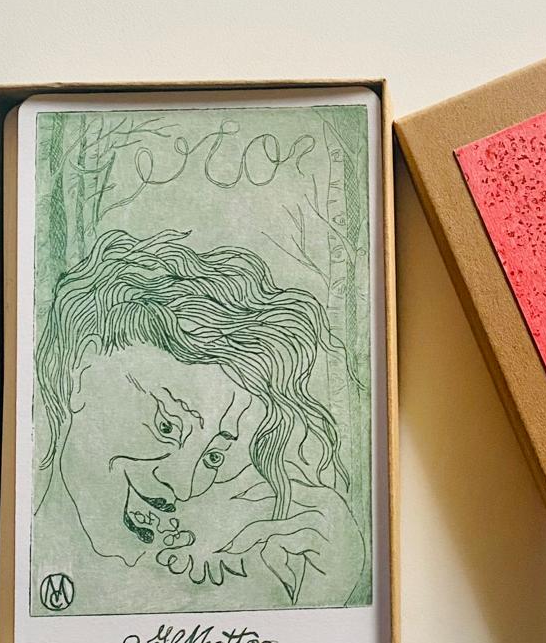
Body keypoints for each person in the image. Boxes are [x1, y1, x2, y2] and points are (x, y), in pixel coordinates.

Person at [33, 228, 365, 607]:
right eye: (167, 425)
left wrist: (324, 586)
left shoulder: (222, 576)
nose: (185, 488)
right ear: (82, 370)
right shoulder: (22, 567)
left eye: (213, 457)